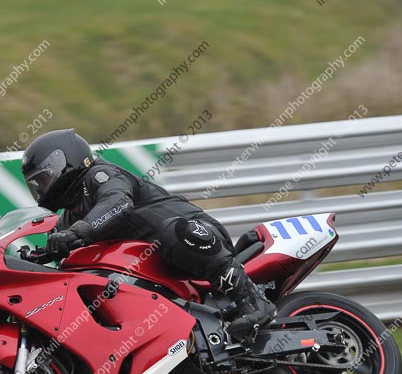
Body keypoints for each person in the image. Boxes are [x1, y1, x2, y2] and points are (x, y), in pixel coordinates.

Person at [20, 128, 275, 339]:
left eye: (43, 179)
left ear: (64, 161)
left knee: (172, 231)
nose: (41, 187)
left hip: (196, 235)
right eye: (36, 184)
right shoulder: (69, 217)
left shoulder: (101, 176)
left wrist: (81, 232)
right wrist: (36, 257)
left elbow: (117, 203)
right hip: (160, 269)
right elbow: (60, 251)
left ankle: (253, 302)